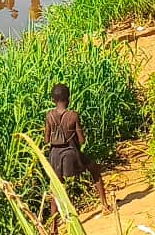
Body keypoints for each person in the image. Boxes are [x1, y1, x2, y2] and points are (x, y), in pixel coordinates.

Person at [44, 83, 110, 229]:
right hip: (71, 155)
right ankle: (105, 205)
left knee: (55, 187)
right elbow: (82, 140)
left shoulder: (49, 116)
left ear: (53, 100)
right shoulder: (73, 116)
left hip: (55, 156)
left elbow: (46, 139)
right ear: (68, 98)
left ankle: (54, 227)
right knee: (94, 169)